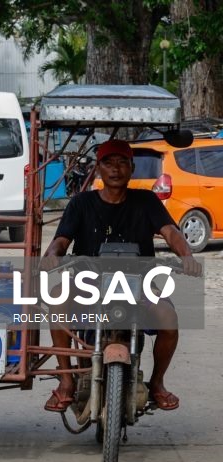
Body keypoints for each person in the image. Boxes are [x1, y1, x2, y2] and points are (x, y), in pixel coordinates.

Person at [41, 139, 202, 413]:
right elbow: (61, 240)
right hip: (88, 283)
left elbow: (170, 232)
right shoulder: (81, 203)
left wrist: (186, 255)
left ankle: (157, 383)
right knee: (57, 298)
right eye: (108, 163)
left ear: (132, 167)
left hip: (138, 286)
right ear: (98, 169)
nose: (115, 169)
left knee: (169, 316)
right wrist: (51, 255)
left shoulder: (146, 200)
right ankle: (66, 379)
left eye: (122, 162)